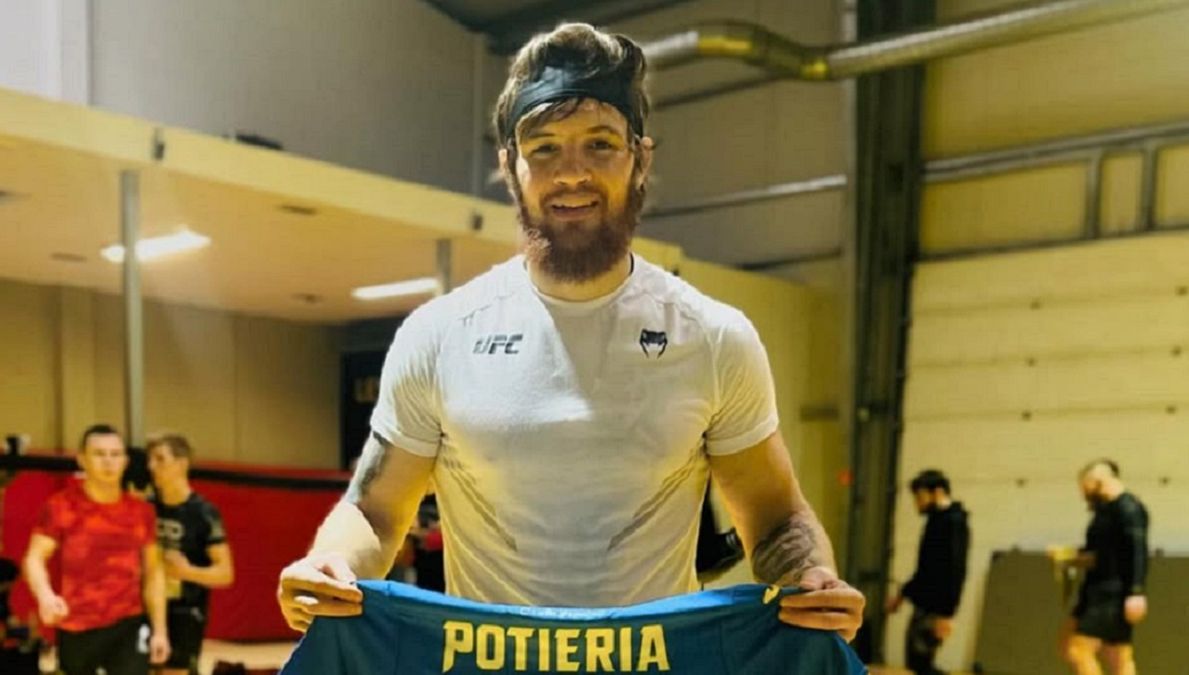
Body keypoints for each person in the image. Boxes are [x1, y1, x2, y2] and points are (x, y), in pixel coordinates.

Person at [276, 22, 864, 649]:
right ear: (509, 165)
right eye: (545, 147)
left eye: (600, 144)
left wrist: (811, 578)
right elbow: (374, 512)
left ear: (641, 158)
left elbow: (775, 518)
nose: (572, 173)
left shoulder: (714, 339)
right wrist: (331, 562)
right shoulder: (439, 336)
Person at [23, 424, 169, 674]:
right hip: (77, 625)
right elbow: (34, 558)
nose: (108, 461)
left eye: (115, 454)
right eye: (99, 454)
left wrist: (160, 630)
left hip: (129, 623)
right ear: (82, 460)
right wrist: (45, 595)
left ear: (125, 461)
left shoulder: (142, 512)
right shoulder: (61, 506)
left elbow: (154, 572)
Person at [147, 433, 235, 675]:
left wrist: (187, 572)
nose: (152, 466)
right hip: (143, 607)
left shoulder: (203, 513)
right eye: (150, 460)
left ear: (181, 463)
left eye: (160, 459)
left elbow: (225, 574)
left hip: (185, 611)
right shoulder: (145, 507)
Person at [1060, 460, 1148, 675]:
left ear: (1098, 481)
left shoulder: (1129, 509)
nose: (1084, 495)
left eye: (1086, 488)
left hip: (1111, 593)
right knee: (1116, 655)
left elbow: (1138, 550)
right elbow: (1098, 554)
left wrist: (1136, 592)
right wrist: (1069, 557)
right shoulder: (1104, 513)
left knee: (1077, 649)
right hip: (1095, 589)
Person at [886, 469, 970, 675]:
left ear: (937, 492)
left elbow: (955, 569)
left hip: (936, 607)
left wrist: (947, 614)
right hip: (926, 604)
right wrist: (902, 594)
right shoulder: (937, 521)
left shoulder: (953, 522)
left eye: (920, 497)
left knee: (921, 663)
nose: (917, 503)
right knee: (917, 662)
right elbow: (926, 569)